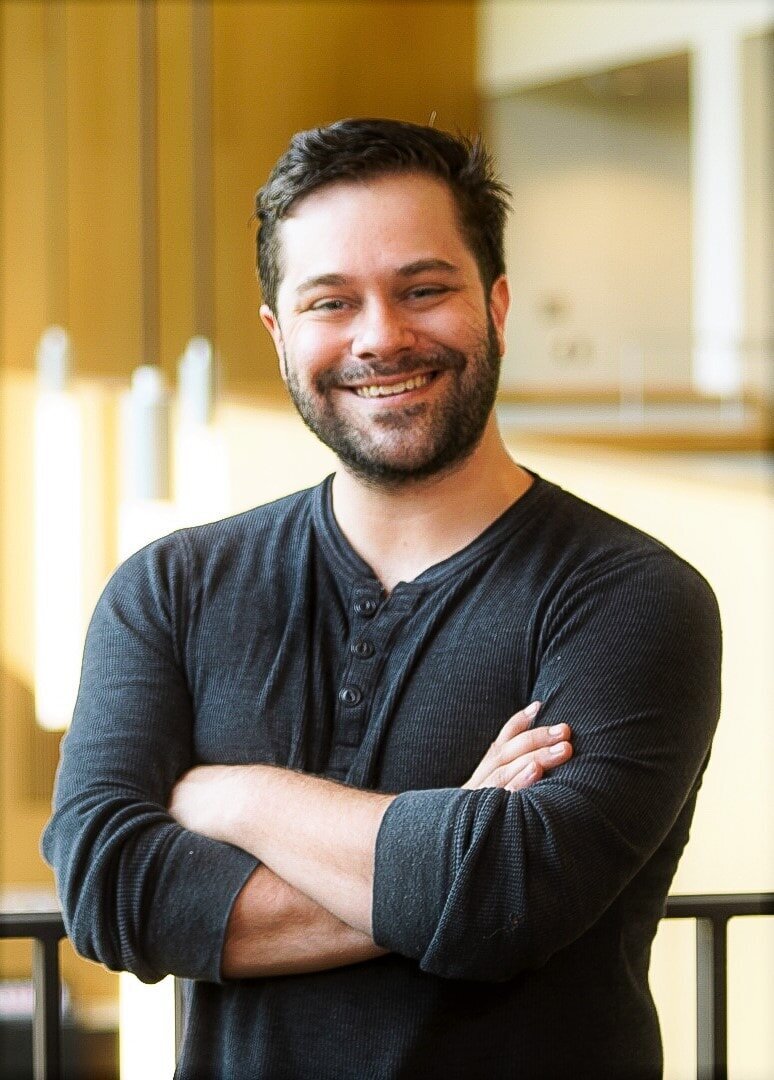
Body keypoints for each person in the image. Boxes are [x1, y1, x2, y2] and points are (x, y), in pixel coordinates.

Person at [42, 118, 721, 1080]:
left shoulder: (633, 597)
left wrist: (223, 793)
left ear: (496, 302)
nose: (380, 337)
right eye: (331, 301)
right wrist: (444, 847)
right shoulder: (170, 589)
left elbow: (505, 900)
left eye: (424, 289)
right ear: (279, 332)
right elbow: (111, 893)